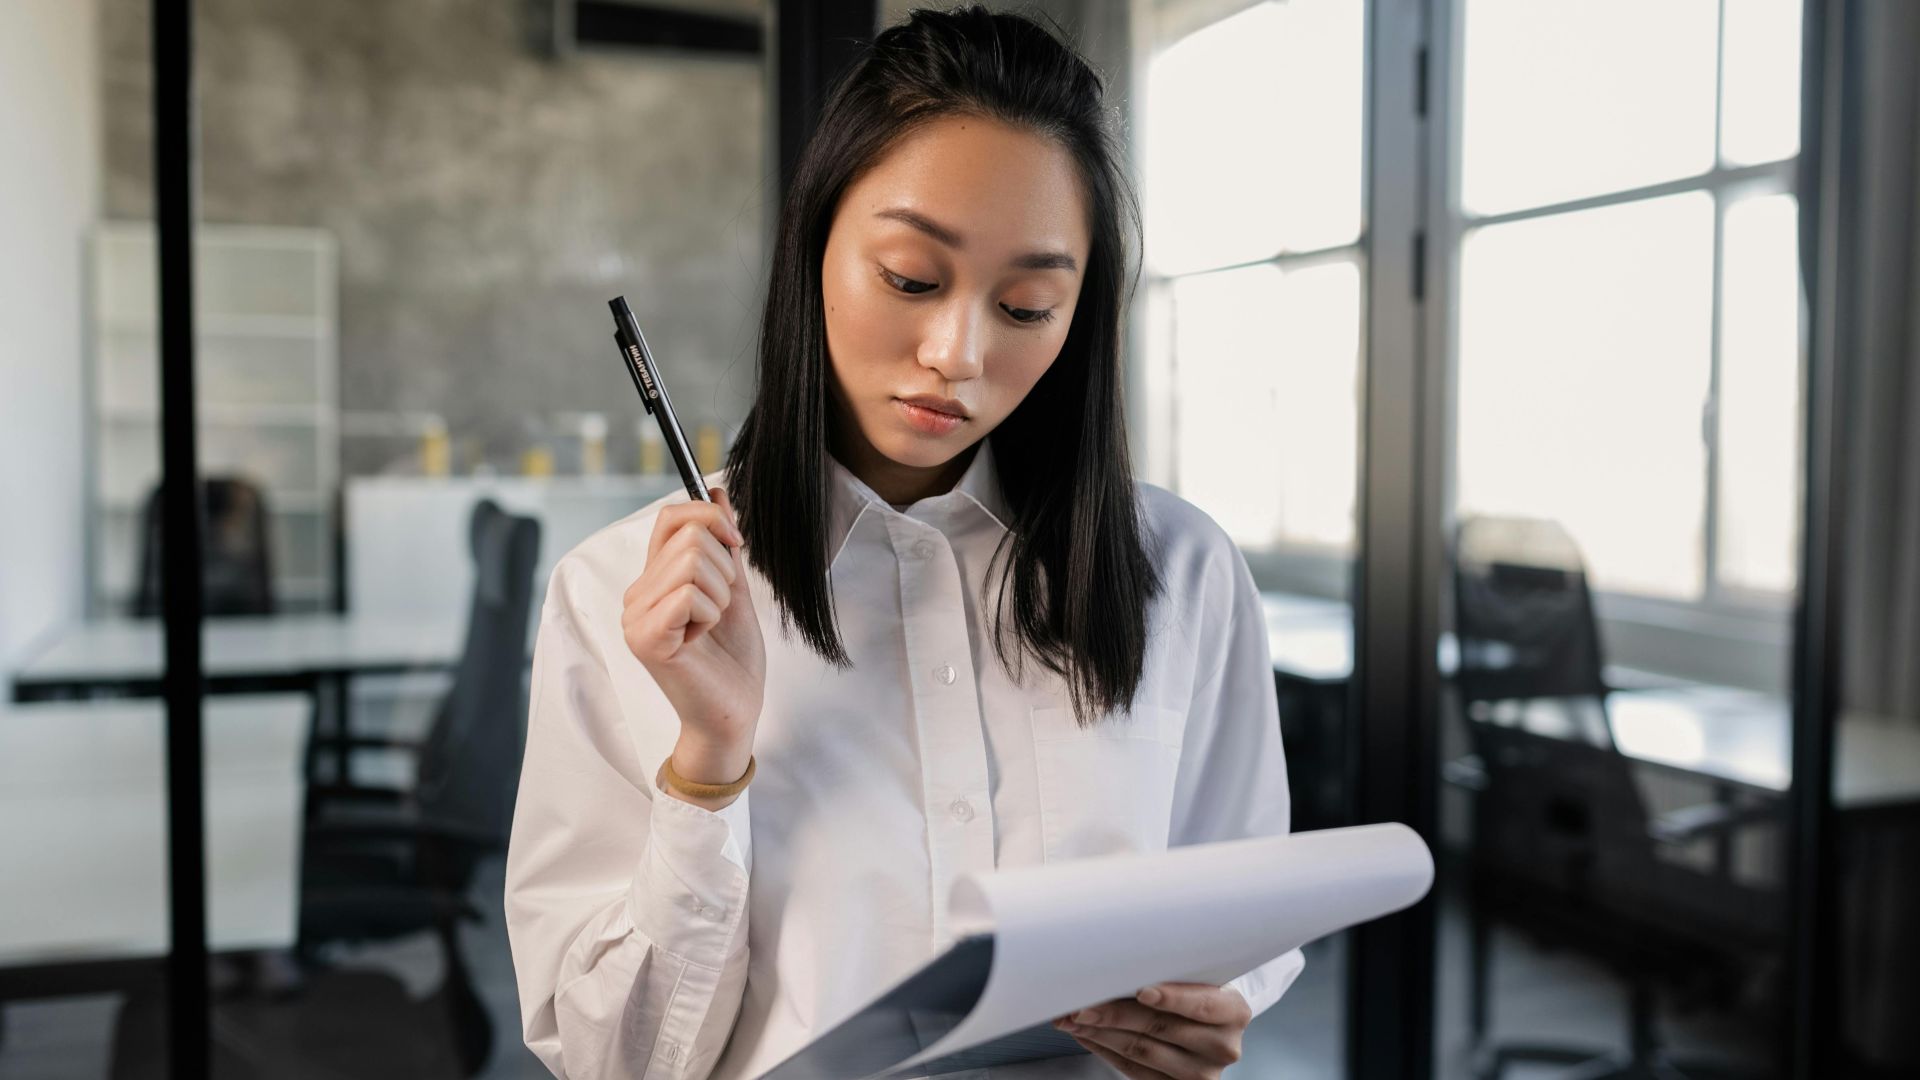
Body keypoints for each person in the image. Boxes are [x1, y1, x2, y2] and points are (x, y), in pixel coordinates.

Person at [504, 6, 1302, 1078]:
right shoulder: (618, 593)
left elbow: (1238, 918)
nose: (955, 353)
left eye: (1026, 305)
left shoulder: (1183, 573)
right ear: (816, 246)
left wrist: (1211, 1007)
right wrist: (708, 762)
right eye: (912, 280)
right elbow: (615, 1061)